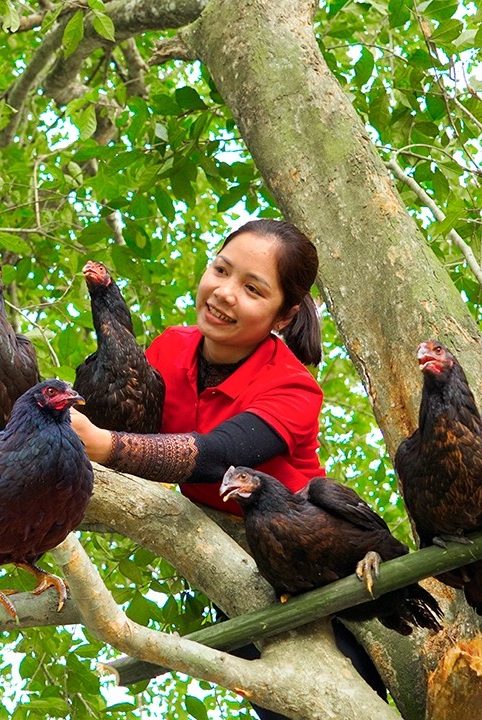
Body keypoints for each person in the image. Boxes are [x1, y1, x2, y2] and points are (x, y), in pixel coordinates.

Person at [70, 218, 385, 719]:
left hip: (320, 565)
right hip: (230, 566)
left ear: (284, 316)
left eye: (253, 289)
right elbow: (126, 417)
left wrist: (104, 445)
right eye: (221, 270)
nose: (224, 293)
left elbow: (216, 457)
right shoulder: (169, 348)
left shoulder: (294, 387)